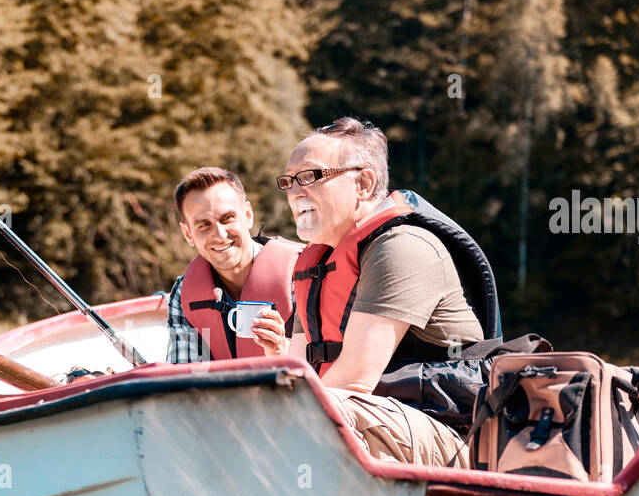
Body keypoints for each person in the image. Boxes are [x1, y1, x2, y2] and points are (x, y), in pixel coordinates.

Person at [281, 118, 486, 466]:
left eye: (310, 177)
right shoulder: (315, 269)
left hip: (452, 434)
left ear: (364, 183)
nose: (295, 192)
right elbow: (300, 369)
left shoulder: (400, 247)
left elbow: (354, 382)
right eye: (288, 182)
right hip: (372, 420)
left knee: (321, 414)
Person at [165, 166, 302, 363]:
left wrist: (282, 350)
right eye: (204, 225)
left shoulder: (301, 274)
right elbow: (186, 378)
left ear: (247, 215)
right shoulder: (183, 293)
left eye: (227, 218)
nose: (220, 236)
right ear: (188, 234)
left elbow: (328, 373)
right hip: (225, 393)